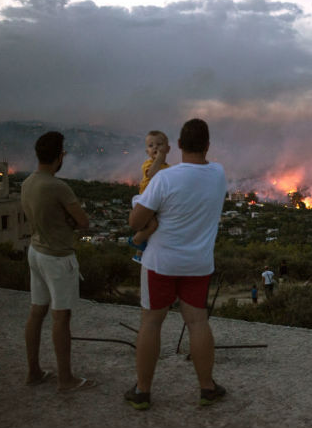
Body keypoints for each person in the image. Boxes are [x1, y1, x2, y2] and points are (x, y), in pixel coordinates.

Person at [125, 118, 227, 411]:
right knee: (198, 322)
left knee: (151, 323)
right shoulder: (218, 174)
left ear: (179, 145)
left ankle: (142, 392)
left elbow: (136, 221)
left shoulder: (164, 179)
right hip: (198, 263)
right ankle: (207, 388)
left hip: (161, 263)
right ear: (208, 146)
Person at [21, 131, 95, 392]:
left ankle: (34, 372)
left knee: (36, 312)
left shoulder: (28, 182)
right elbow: (83, 221)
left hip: (36, 251)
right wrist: (69, 221)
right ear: (59, 156)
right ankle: (66, 379)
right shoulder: (57, 186)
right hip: (57, 257)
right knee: (61, 318)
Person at [129, 130, 171, 263]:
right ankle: (135, 240)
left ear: (168, 148)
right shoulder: (148, 164)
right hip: (144, 200)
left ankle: (140, 253)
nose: (156, 148)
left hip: (156, 202)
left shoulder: (168, 168)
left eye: (159, 144)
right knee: (152, 225)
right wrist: (159, 158)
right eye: (151, 146)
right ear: (147, 151)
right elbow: (152, 174)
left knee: (155, 227)